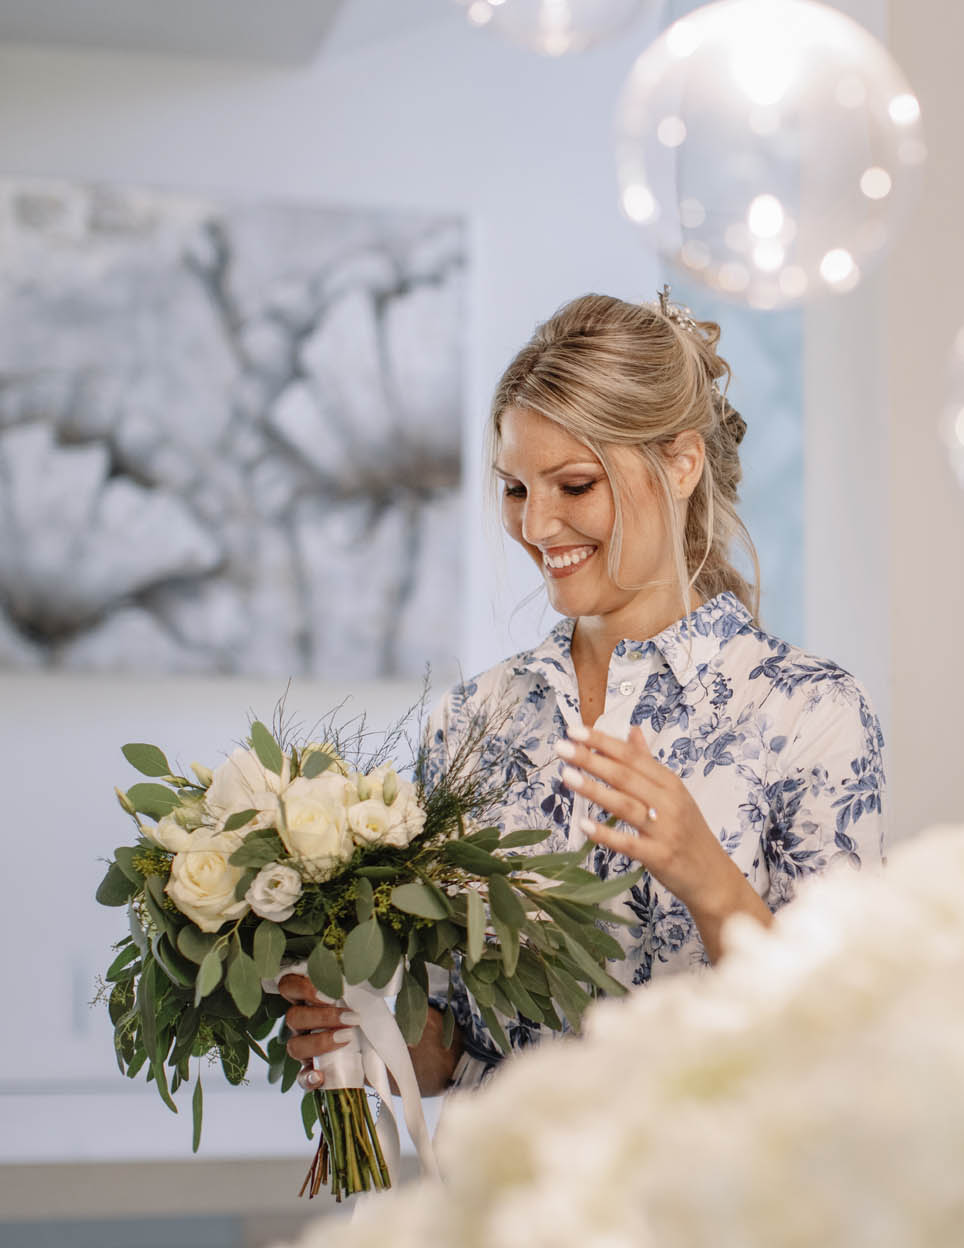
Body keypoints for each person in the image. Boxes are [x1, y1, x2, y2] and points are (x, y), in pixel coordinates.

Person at [280, 291, 887, 1094]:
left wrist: (707, 876)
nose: (536, 527)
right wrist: (360, 1033)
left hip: (715, 1202)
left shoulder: (809, 712)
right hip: (504, 1203)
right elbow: (458, 1054)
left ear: (680, 464)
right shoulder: (470, 722)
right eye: (516, 490)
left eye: (573, 485)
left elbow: (847, 1036)